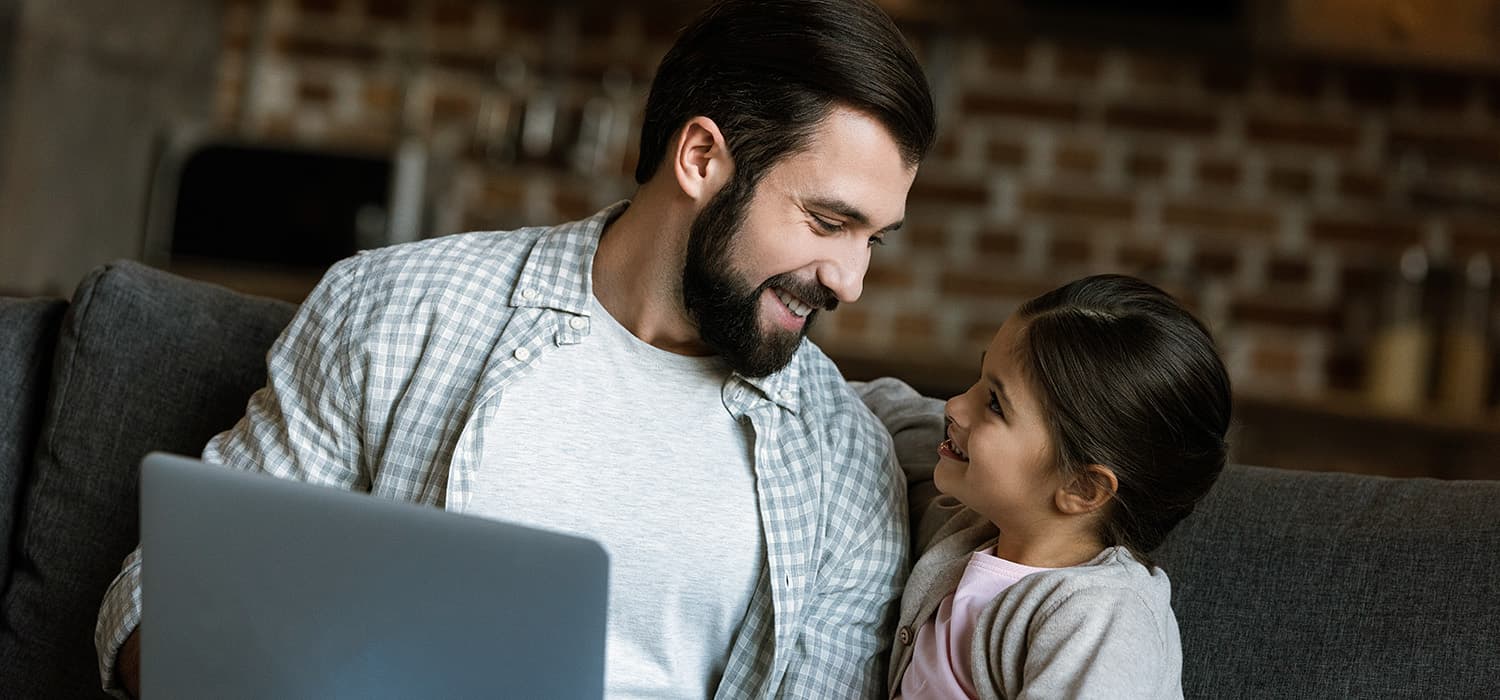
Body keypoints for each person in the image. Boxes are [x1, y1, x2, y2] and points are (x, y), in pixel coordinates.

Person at [94, 0, 936, 696]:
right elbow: (159, 602)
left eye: (876, 241)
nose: (851, 279)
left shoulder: (843, 464)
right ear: (702, 158)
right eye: (828, 223)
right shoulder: (400, 310)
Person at [860, 274, 1231, 699]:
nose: (956, 405)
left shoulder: (1099, 620)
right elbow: (886, 409)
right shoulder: (962, 522)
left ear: (1082, 488)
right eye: (979, 378)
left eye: (995, 403)